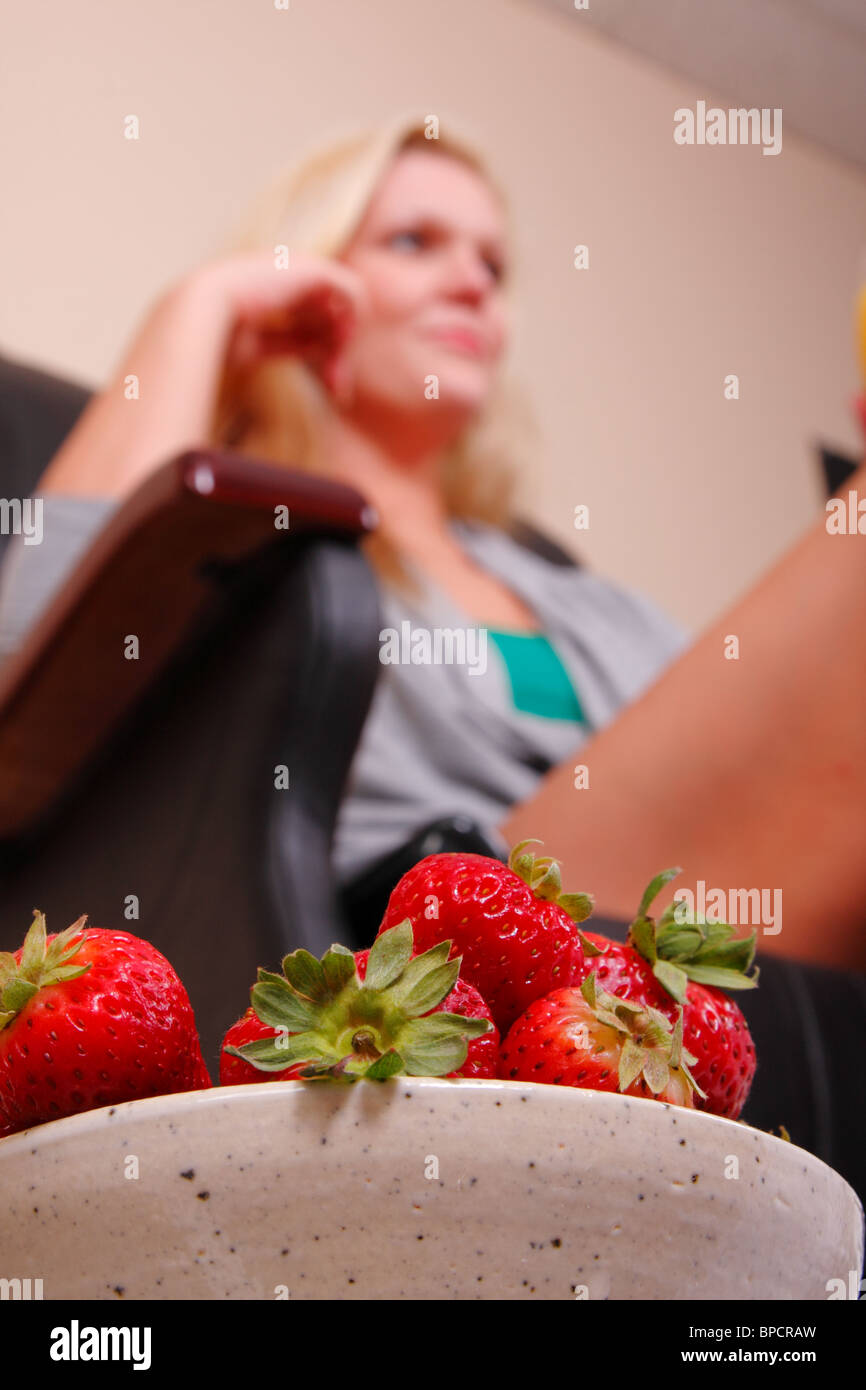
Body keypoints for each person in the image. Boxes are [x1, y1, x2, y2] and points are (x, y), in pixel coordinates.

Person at [1, 113, 865, 977]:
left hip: (703, 927)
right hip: (447, 943)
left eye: (493, 264)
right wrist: (201, 309)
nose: (472, 282)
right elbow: (32, 679)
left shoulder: (586, 597)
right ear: (308, 274)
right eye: (415, 242)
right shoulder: (254, 555)